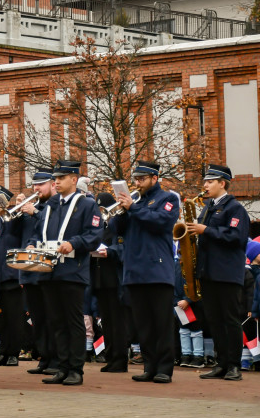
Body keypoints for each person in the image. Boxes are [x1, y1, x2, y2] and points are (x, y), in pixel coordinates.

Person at [24, 160, 102, 386]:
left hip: (72, 271)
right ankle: (62, 366)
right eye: (55, 179)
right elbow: (37, 231)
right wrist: (31, 244)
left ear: (74, 180)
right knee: (56, 321)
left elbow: (94, 234)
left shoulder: (86, 204)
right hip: (48, 271)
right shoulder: (50, 205)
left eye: (61, 178)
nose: (56, 182)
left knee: (73, 322)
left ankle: (75, 369)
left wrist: (74, 243)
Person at [113, 159, 180, 383]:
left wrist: (133, 208)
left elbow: (161, 222)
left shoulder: (167, 198)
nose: (138, 183)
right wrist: (121, 212)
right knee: (143, 324)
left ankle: (164, 369)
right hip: (134, 270)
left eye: (142, 179)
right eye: (136, 179)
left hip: (157, 269)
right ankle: (150, 366)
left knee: (162, 323)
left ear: (154, 178)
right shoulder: (134, 202)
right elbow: (116, 230)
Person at [187, 164, 250, 381]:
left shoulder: (235, 208)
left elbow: (236, 237)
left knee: (230, 320)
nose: (205, 185)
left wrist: (206, 230)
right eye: (205, 181)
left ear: (222, 183)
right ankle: (221, 363)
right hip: (208, 272)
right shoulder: (207, 208)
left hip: (227, 273)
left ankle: (234, 365)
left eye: (210, 182)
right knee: (214, 320)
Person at [21, 170, 59, 376]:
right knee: (37, 318)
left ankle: (56, 359)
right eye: (35, 185)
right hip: (29, 270)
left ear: (53, 184)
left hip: (47, 270)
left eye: (41, 184)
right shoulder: (31, 207)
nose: (36, 188)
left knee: (51, 317)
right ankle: (44, 357)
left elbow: (53, 226)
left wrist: (34, 212)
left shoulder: (54, 206)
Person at [90, 193, 129, 373]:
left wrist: (111, 251)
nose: (101, 213)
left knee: (117, 321)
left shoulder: (117, 225)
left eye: (103, 209)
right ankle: (111, 356)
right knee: (106, 321)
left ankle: (120, 359)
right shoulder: (100, 227)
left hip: (114, 279)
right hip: (101, 280)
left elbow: (124, 247)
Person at [0, 186, 24, 368]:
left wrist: (18, 207)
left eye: (0, 200)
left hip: (11, 275)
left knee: (13, 317)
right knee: (0, 319)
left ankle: (13, 353)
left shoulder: (14, 219)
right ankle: (3, 351)